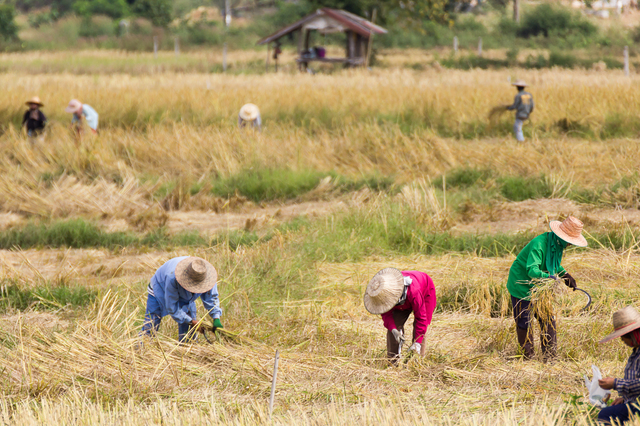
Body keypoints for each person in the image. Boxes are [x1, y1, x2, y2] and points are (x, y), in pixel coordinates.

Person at [506, 216, 587, 361]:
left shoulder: (557, 245)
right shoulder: (539, 244)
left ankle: (550, 357)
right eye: (569, 241)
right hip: (522, 283)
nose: (569, 244)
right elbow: (531, 270)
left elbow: (554, 264)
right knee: (524, 321)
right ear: (561, 236)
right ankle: (527, 358)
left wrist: (565, 275)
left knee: (547, 319)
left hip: (540, 287)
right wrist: (549, 278)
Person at [141, 256, 223, 342]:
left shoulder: (206, 276)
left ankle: (187, 349)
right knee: (151, 324)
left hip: (186, 296)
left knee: (189, 332)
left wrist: (216, 317)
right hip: (160, 289)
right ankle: (142, 348)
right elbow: (172, 307)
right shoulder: (172, 277)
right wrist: (192, 322)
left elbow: (211, 298)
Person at [363, 268, 437, 360]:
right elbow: (386, 315)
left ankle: (417, 359)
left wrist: (417, 343)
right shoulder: (382, 295)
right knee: (395, 326)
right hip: (400, 300)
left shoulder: (414, 291)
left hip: (424, 291)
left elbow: (421, 318)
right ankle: (393, 361)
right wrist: (394, 329)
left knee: (421, 327)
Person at [597, 306, 640, 425]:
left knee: (606, 415)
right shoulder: (636, 352)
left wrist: (615, 383)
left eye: (623, 336)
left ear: (633, 335)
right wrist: (626, 399)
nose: (622, 340)